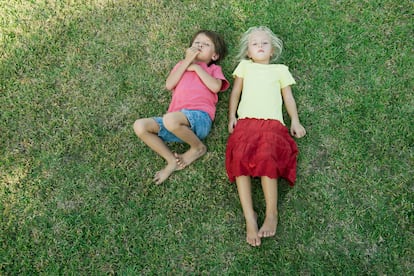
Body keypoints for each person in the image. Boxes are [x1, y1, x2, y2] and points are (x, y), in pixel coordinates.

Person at [225, 26, 306, 246]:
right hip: (246, 122)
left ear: (272, 51)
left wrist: (295, 121)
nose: (260, 46)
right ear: (248, 53)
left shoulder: (280, 69)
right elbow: (235, 92)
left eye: (265, 43)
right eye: (254, 44)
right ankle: (249, 216)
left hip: (272, 125)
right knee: (239, 159)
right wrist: (232, 116)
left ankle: (271, 213)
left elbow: (288, 97)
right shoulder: (244, 67)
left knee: (267, 158)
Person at [134, 30, 230, 184]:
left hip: (199, 118)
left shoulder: (213, 69)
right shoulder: (181, 66)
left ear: (214, 56)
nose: (199, 45)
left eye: (205, 44)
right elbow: (169, 84)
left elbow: (215, 87)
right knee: (140, 125)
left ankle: (198, 147)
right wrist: (186, 63)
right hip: (175, 124)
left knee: (170, 119)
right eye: (196, 43)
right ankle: (171, 160)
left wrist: (197, 68)